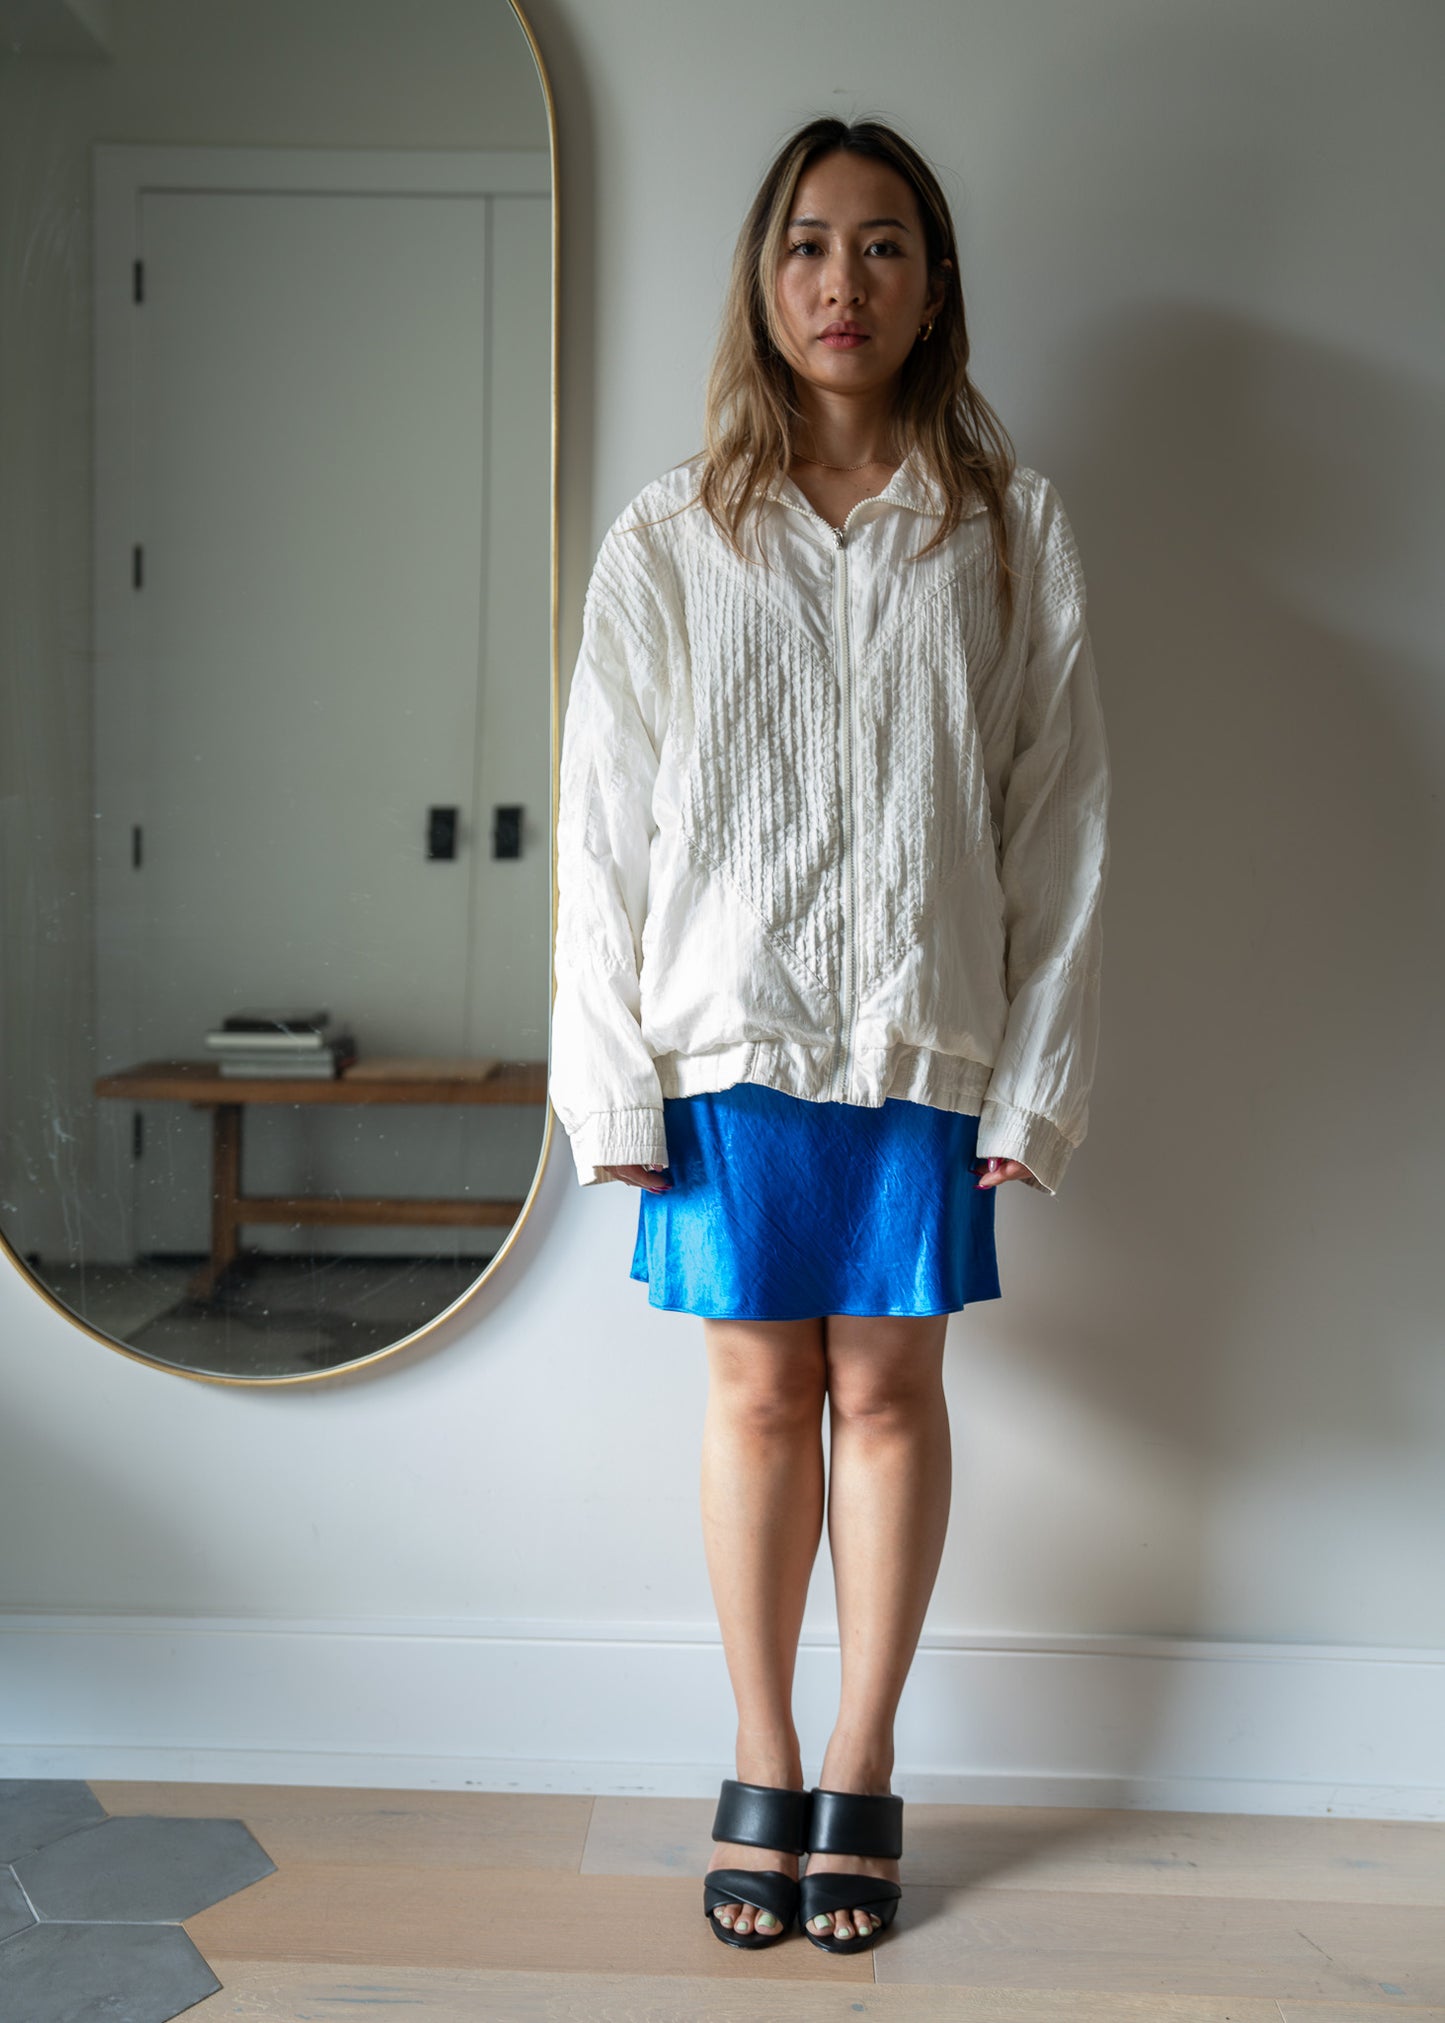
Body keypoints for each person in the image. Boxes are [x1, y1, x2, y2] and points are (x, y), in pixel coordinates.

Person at [547, 114, 1111, 1953]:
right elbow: (603, 831)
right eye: (805, 244)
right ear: (760, 277)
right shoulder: (671, 536)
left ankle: (861, 1764)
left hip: (921, 1044)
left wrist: (1034, 1071)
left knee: (887, 1393)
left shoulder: (1007, 532)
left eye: (879, 246)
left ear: (932, 280)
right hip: (723, 1043)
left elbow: (1060, 823)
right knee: (754, 1393)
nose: (839, 282)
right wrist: (608, 1082)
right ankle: (761, 1748)